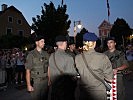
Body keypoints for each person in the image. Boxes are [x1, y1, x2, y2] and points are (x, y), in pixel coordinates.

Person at [75, 32, 113, 100]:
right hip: (98, 93)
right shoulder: (102, 57)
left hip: (83, 93)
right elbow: (109, 79)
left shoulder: (77, 58)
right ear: (94, 43)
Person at [48, 35, 77, 100]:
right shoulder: (68, 57)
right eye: (66, 43)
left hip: (54, 89)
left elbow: (49, 69)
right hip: (65, 90)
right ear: (64, 43)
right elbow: (73, 75)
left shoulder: (51, 56)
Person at [25, 35, 49, 100]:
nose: (44, 43)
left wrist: (49, 80)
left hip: (45, 81)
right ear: (36, 42)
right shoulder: (31, 55)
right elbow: (28, 71)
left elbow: (48, 67)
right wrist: (28, 85)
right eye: (42, 41)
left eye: (44, 41)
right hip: (36, 82)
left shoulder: (46, 54)